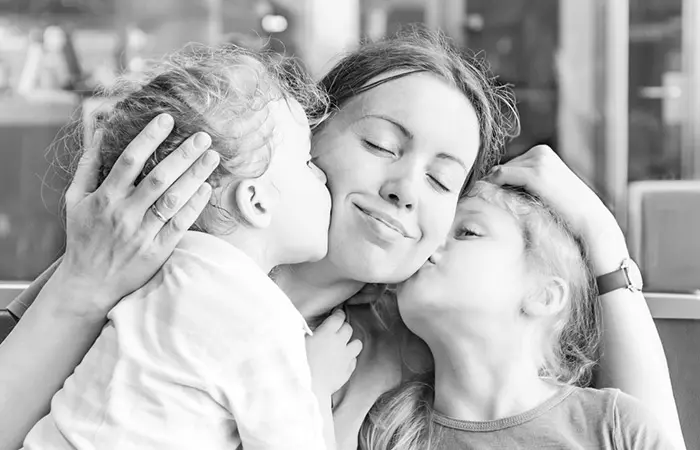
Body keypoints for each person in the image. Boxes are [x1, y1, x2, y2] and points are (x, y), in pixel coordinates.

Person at [0, 28, 686, 450]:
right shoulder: (153, 253)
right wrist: (82, 285)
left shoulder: (408, 343)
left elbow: (630, 435)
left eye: (445, 183)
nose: (406, 189)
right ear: (303, 139)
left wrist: (603, 244)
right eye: (383, 144)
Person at [20, 45, 362, 450]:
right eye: (307, 161)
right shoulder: (263, 319)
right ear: (256, 202)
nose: (322, 176)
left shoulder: (148, 276)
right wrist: (313, 385)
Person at [359, 181, 676, 449]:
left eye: (468, 231)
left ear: (543, 295)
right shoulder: (382, 432)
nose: (430, 241)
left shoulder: (617, 426)